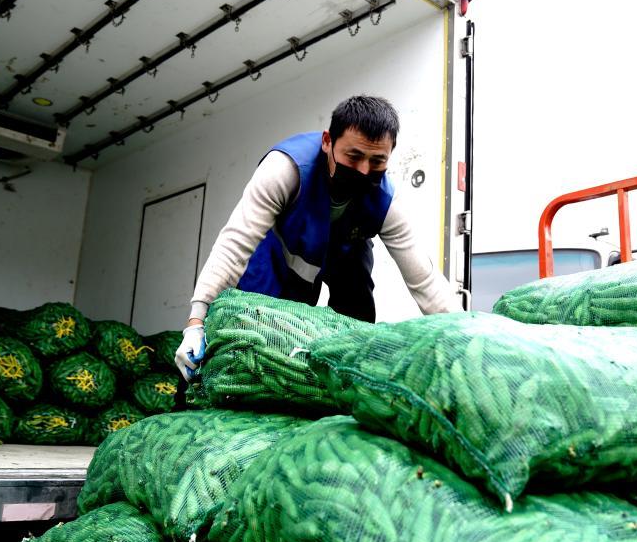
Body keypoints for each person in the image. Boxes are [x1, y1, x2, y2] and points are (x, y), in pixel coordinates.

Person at [174, 95, 460, 379]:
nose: (364, 171)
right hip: (279, 263)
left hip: (344, 261)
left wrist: (464, 337)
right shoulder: (285, 170)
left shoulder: (385, 202)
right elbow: (234, 244)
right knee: (254, 340)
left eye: (377, 161)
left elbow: (424, 280)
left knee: (356, 325)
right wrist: (196, 322)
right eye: (354, 156)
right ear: (327, 142)